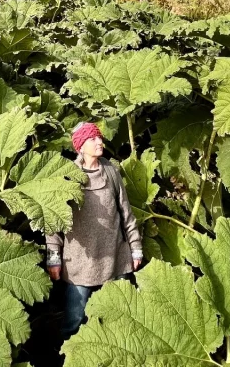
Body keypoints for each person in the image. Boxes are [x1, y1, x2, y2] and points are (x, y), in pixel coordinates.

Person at [47, 122, 142, 338]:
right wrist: (53, 258)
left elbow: (126, 212)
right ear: (81, 146)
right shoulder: (68, 176)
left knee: (122, 316)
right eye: (93, 139)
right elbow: (53, 220)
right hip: (81, 262)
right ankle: (67, 356)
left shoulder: (110, 171)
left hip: (115, 257)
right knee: (75, 320)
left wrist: (135, 248)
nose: (100, 142)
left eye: (99, 137)